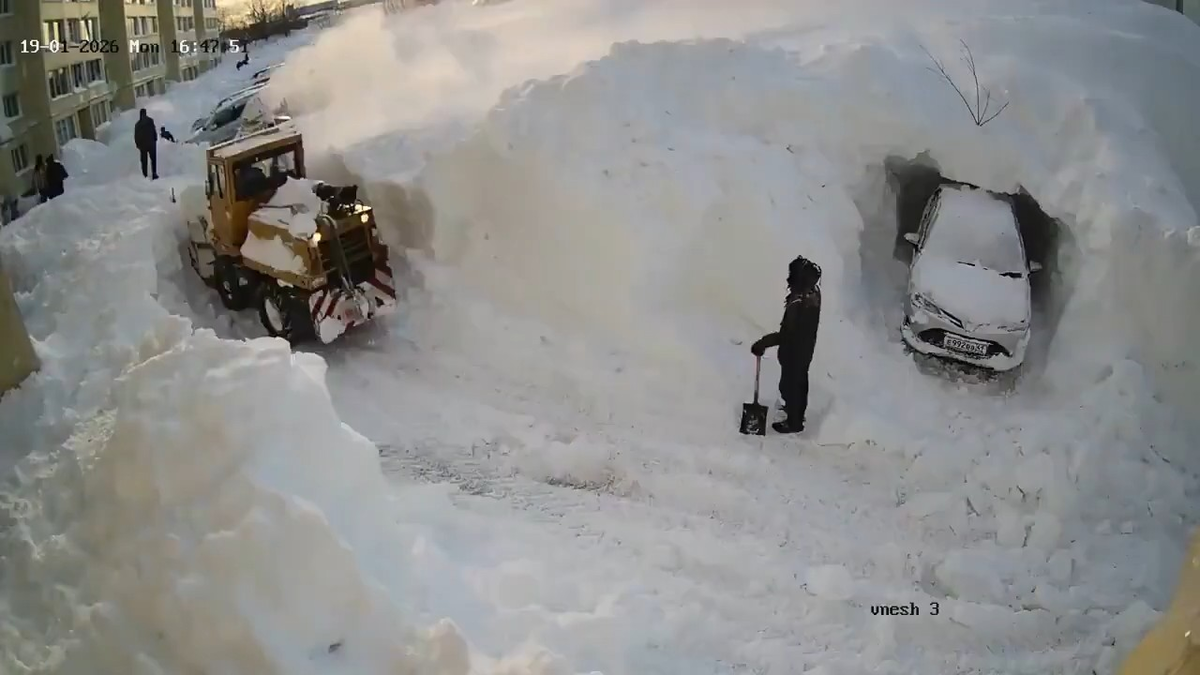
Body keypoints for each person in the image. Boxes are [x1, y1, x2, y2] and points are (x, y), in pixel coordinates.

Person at [750, 255, 822, 434]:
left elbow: (786, 334)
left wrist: (762, 343)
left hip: (794, 351)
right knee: (799, 383)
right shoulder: (814, 293)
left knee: (792, 385)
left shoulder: (798, 302)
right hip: (806, 348)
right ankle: (796, 413)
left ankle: (794, 422)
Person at [134, 108, 159, 179]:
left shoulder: (138, 124)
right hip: (151, 144)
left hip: (143, 146)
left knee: (144, 161)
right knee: (153, 159)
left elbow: (136, 136)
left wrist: (138, 144)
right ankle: (154, 173)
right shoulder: (150, 121)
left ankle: (145, 175)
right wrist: (155, 139)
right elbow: (154, 130)